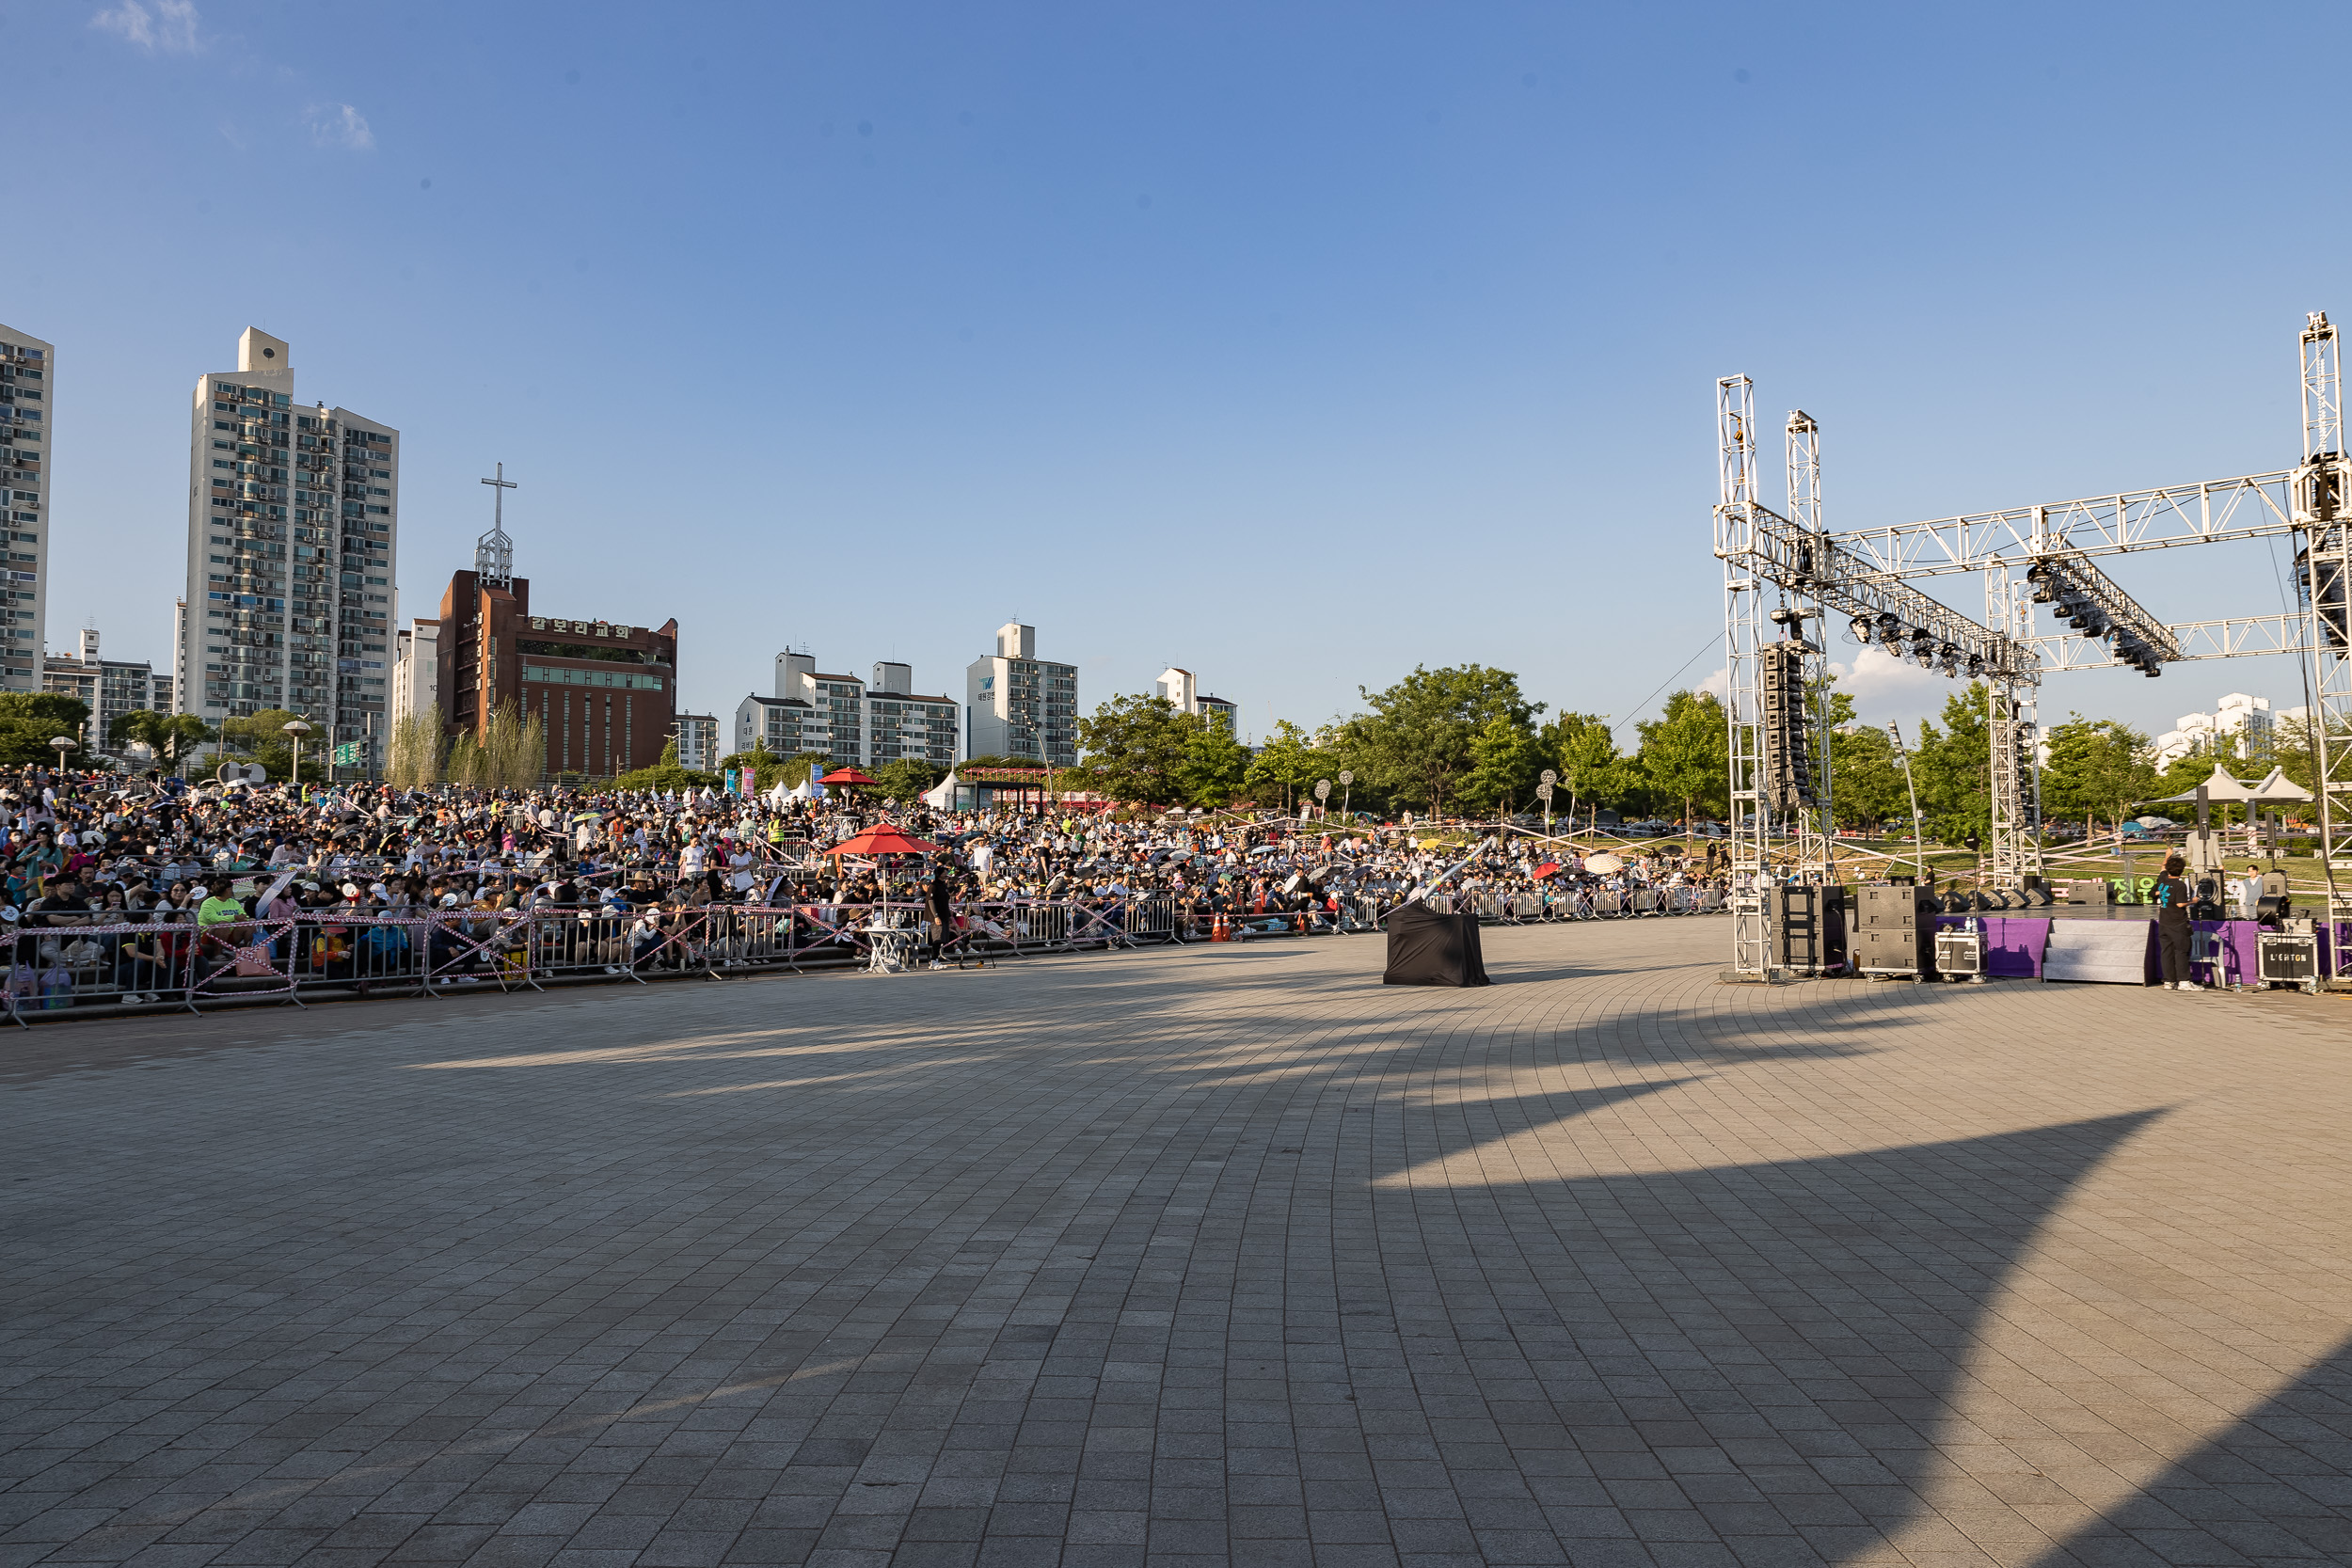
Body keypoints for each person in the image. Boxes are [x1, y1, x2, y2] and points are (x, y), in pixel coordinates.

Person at [2152, 852, 2195, 991]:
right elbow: (2180, 904)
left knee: (2166, 953)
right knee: (2181, 951)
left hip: (2164, 922)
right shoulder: (2180, 885)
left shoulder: (2163, 880)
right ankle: (2183, 981)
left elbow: (2162, 869)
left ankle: (2168, 981)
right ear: (2182, 870)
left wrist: (2167, 856)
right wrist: (2193, 901)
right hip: (2178, 923)